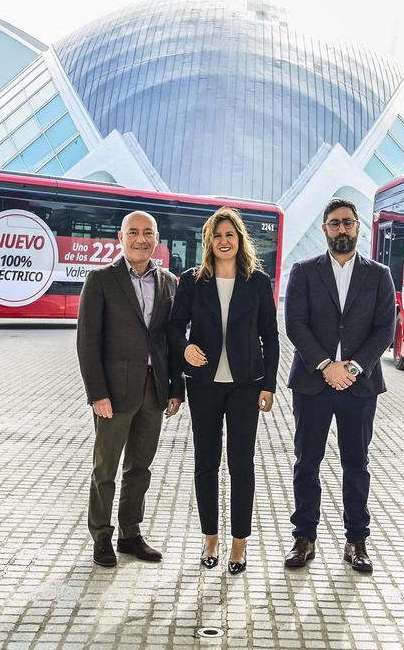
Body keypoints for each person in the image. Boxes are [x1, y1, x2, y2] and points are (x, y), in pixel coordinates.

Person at [282, 198, 396, 574]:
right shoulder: (303, 271)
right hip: (313, 383)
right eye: (334, 224)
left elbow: (385, 329)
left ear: (358, 226)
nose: (342, 229)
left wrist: (353, 367)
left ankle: (356, 540)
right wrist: (326, 366)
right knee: (307, 462)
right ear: (324, 229)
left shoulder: (379, 275)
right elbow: (295, 325)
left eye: (347, 222)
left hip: (359, 385)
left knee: (356, 464)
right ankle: (304, 538)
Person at [168, 207, 279, 575]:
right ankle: (210, 538)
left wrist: (269, 385)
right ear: (208, 241)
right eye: (217, 235)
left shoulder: (258, 282)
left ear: (240, 239)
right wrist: (184, 349)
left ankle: (239, 546)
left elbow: (271, 337)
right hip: (203, 386)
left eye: (230, 235)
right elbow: (174, 328)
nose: (224, 241)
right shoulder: (191, 281)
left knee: (241, 465)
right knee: (206, 464)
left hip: (246, 386)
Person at [76, 211, 184, 567]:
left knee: (140, 468)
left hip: (154, 392)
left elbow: (171, 340)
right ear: (120, 238)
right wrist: (97, 394)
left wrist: (175, 388)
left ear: (156, 239)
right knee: (105, 468)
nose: (140, 239)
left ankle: (130, 534)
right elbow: (88, 341)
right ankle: (101, 536)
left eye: (147, 233)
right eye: (133, 232)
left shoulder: (169, 282)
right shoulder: (101, 280)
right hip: (114, 393)